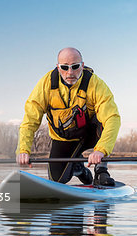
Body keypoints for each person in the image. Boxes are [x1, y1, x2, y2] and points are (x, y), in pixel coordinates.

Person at [16, 47, 121, 186]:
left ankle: (101, 170)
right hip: (63, 138)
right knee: (57, 180)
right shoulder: (45, 84)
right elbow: (30, 120)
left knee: (104, 122)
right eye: (65, 67)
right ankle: (79, 169)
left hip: (91, 134)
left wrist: (100, 151)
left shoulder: (96, 84)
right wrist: (23, 150)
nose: (70, 72)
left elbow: (112, 118)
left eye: (75, 67)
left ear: (82, 66)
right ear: (58, 67)